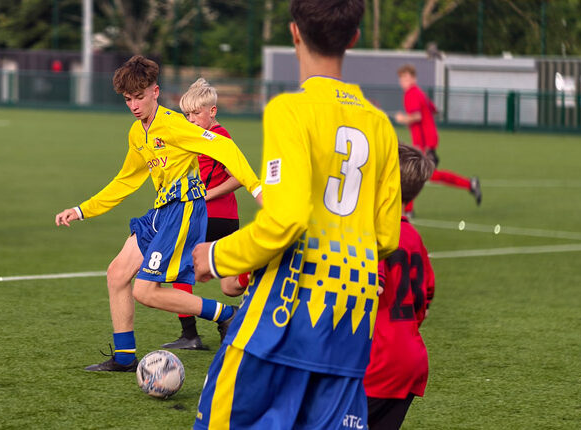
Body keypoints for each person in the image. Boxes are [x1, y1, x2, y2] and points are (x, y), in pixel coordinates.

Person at [191, 0, 402, 427]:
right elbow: (386, 237)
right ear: (354, 39)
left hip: (285, 315)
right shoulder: (380, 124)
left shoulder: (290, 110)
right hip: (351, 322)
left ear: (294, 34)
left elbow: (285, 219)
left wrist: (216, 257)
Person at [54, 56, 262, 372]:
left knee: (145, 290)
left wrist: (257, 189)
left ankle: (228, 316)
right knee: (117, 274)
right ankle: (124, 357)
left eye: (140, 96)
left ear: (155, 91)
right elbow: (125, 180)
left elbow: (225, 148)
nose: (134, 105)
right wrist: (81, 210)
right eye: (128, 99)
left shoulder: (175, 124)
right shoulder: (138, 134)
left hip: (184, 210)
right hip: (159, 211)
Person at [162, 78, 246, 351]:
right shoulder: (198, 136)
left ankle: (191, 335)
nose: (191, 119)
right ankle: (243, 306)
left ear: (213, 111)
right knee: (229, 284)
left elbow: (238, 177)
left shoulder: (219, 136)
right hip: (219, 216)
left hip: (212, 215)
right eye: (187, 114)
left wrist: (206, 194)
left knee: (181, 269)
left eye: (196, 113)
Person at [364, 144, 436, 430]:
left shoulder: (374, 230)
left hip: (377, 362)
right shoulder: (413, 236)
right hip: (411, 360)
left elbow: (372, 287)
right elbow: (425, 306)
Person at [394, 63, 481, 217]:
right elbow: (434, 110)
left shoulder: (411, 94)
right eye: (402, 78)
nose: (404, 81)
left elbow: (417, 116)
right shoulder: (420, 93)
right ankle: (470, 184)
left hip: (424, 143)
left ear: (413, 78)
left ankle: (408, 210)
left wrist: (402, 119)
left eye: (407, 77)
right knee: (426, 174)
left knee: (414, 173)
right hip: (428, 140)